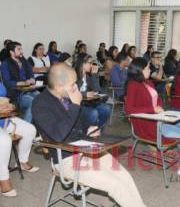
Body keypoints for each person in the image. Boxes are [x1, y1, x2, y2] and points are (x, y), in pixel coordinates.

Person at [32, 63, 146, 207]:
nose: (76, 87)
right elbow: (57, 136)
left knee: (125, 177)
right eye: (73, 84)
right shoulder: (40, 104)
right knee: (116, 185)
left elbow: (77, 123)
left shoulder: (65, 96)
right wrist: (75, 105)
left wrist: (88, 128)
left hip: (87, 148)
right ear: (59, 86)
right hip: (66, 158)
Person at [125, 57, 180, 176]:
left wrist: (158, 108)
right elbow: (128, 109)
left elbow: (158, 99)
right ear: (139, 70)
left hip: (158, 118)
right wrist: (152, 109)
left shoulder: (148, 82)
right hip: (147, 124)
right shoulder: (133, 85)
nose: (150, 70)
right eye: (147, 68)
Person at [0, 81, 39, 197]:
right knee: (4, 140)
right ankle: (3, 179)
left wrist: (10, 106)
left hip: (4, 119)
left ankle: (22, 161)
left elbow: (7, 97)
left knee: (30, 129)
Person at [0, 42, 39, 123]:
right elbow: (8, 82)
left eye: (21, 49)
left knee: (43, 98)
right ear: (11, 52)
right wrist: (24, 83)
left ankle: (40, 124)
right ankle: (25, 126)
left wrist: (32, 79)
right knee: (34, 102)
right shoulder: (5, 64)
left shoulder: (24, 61)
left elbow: (30, 72)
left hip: (29, 90)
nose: (22, 51)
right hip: (16, 94)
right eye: (19, 49)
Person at [74, 53, 112, 132]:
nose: (92, 65)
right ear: (82, 64)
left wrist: (94, 75)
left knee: (106, 109)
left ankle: (97, 130)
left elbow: (97, 89)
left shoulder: (89, 75)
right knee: (93, 113)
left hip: (89, 102)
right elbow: (71, 92)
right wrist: (85, 94)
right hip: (77, 104)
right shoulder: (74, 76)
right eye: (90, 63)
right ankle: (86, 132)